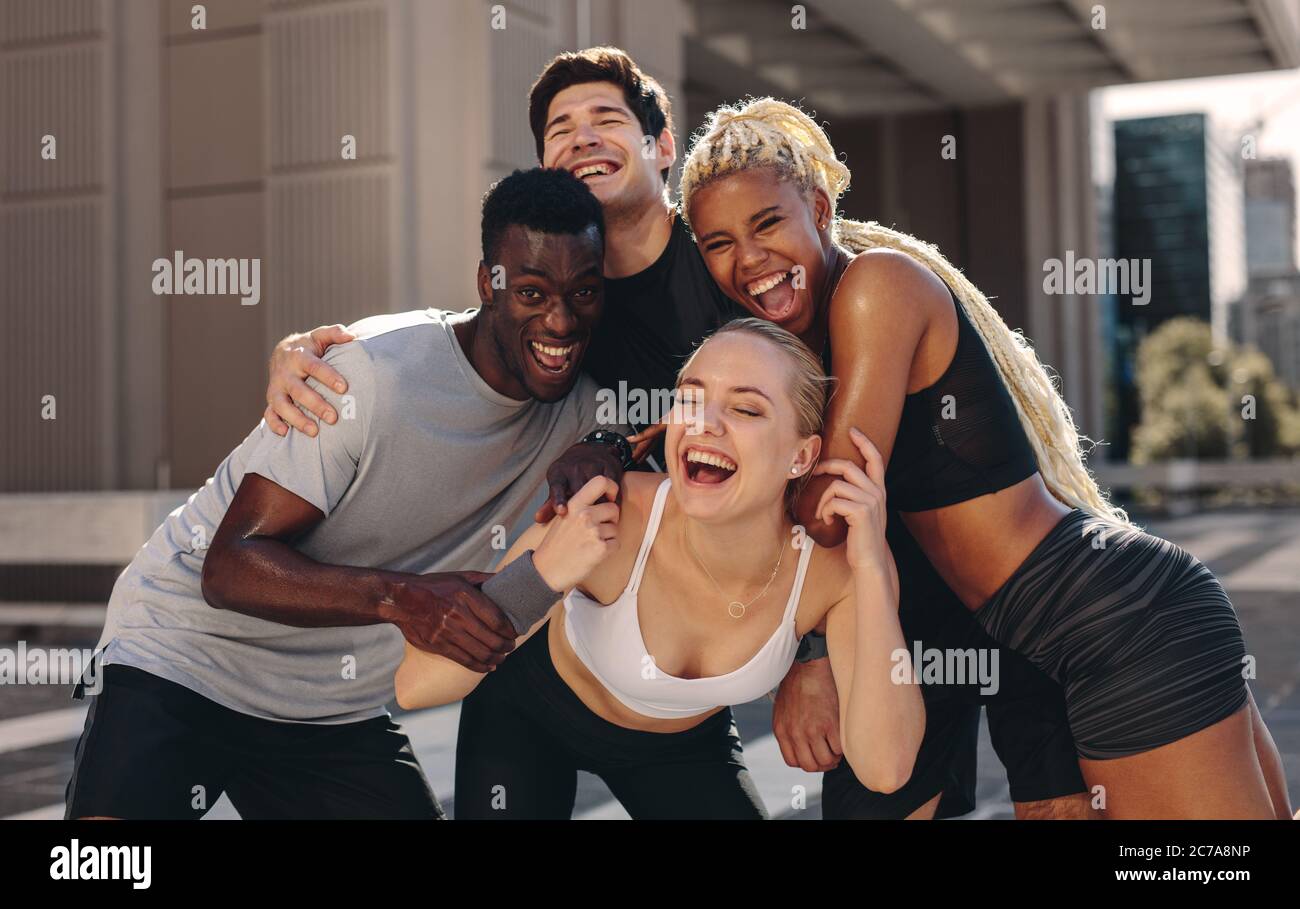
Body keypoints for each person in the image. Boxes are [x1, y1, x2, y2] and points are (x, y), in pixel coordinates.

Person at [262, 46, 1095, 820]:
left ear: (663, 146)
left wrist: (811, 646)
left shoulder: (740, 263)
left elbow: (832, 391)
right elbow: (465, 332)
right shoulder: (571, 292)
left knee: (1025, 780)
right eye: (561, 131)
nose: (583, 139)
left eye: (607, 121)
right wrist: (326, 343)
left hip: (902, 565)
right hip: (599, 644)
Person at [674, 97, 1293, 819]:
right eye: (717, 243)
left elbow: (832, 508)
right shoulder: (809, 353)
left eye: (767, 223)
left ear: (816, 204)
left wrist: (720, 470)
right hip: (1059, 641)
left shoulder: (877, 288)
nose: (748, 259)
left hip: (1120, 621)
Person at [65, 168, 622, 819]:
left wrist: (608, 443)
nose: (560, 319)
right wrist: (403, 597)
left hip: (329, 707)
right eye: (532, 291)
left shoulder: (584, 409)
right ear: (487, 284)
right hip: (184, 656)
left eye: (583, 292)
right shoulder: (375, 375)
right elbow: (229, 565)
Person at [398, 319, 924, 819]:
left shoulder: (838, 570)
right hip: (528, 715)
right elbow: (416, 686)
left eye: (746, 410)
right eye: (691, 399)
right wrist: (545, 575)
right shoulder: (614, 514)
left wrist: (872, 568)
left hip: (680, 747)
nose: (704, 423)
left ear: (802, 456)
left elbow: (886, 769)